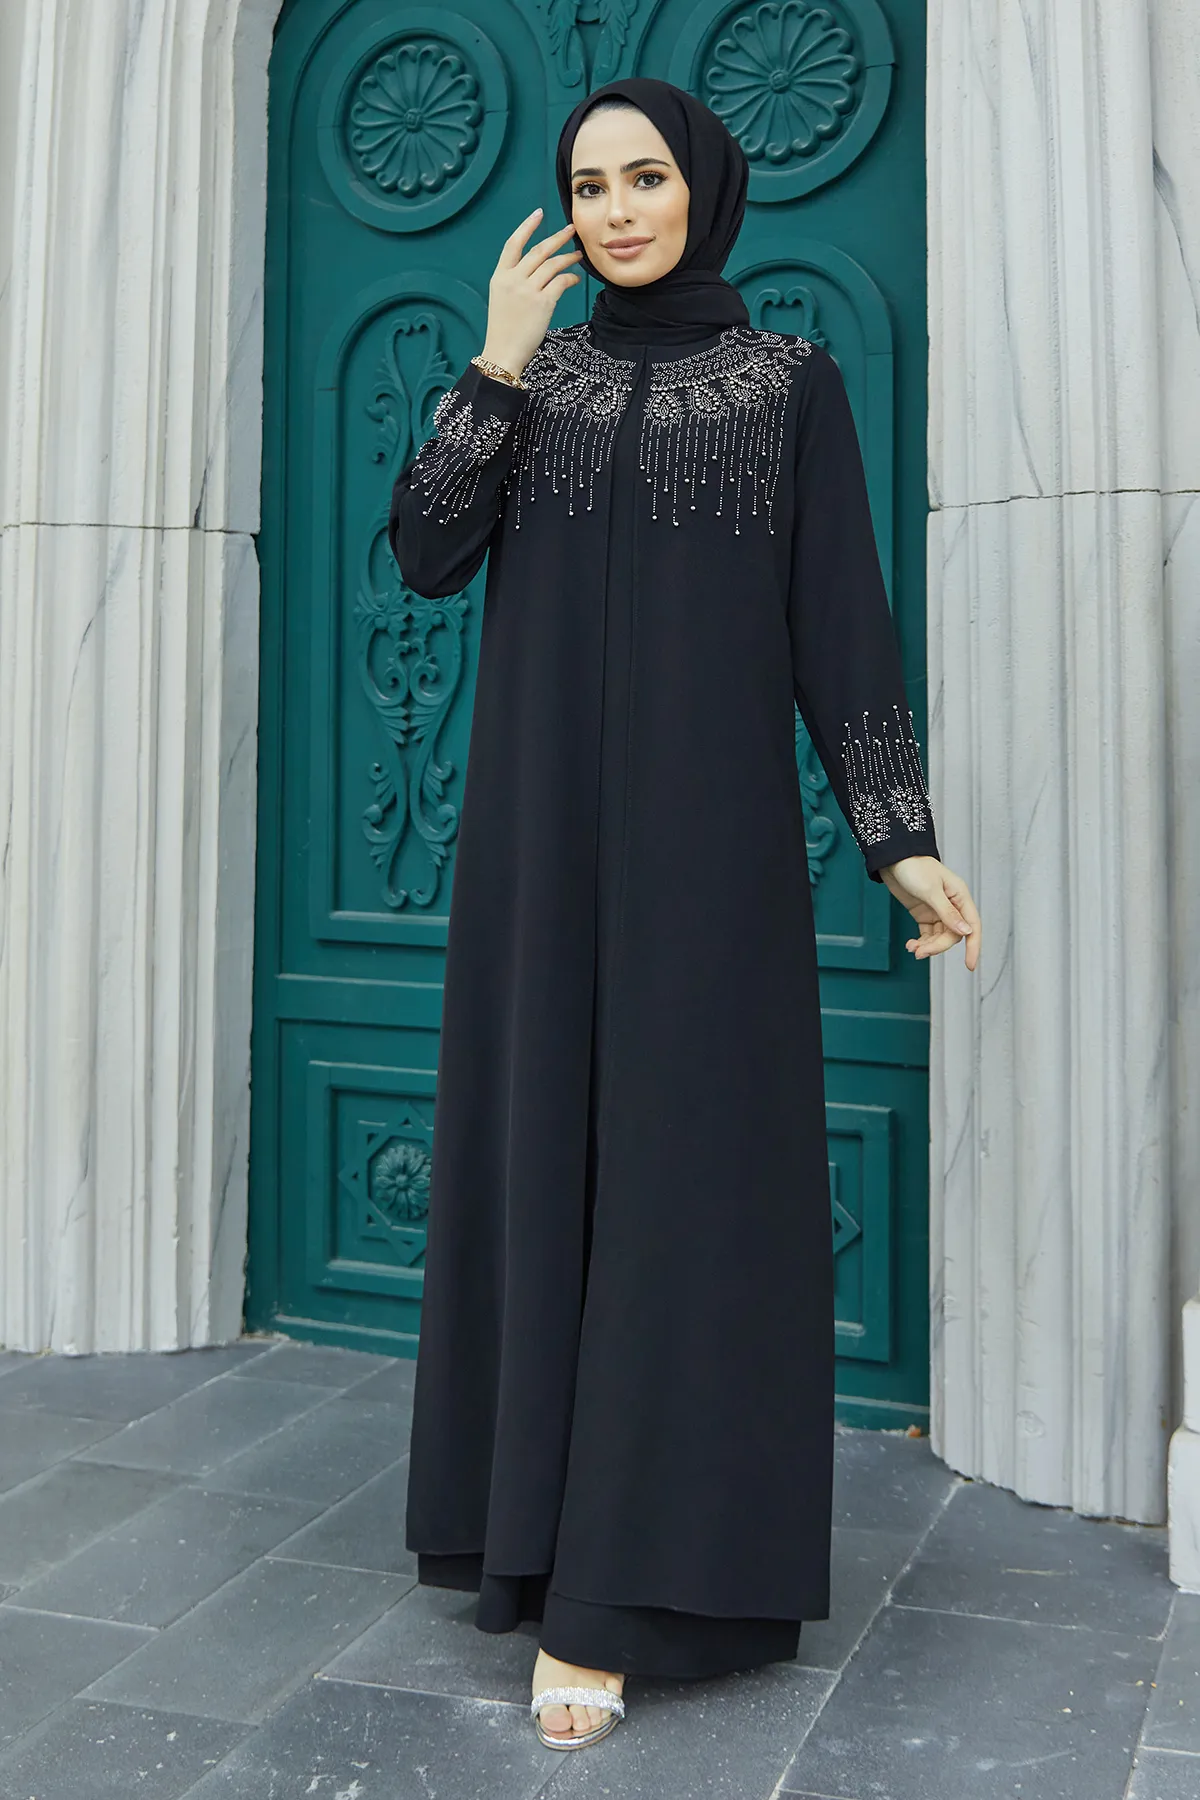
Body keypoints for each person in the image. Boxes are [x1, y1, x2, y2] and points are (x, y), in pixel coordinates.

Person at [388, 76, 982, 1752]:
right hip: (536, 855)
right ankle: (529, 1545)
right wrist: (496, 363)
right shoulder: (535, 382)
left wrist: (899, 836)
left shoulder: (792, 384)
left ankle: (628, 1598)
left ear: (704, 187)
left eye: (644, 178)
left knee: (683, 1195)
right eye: (588, 187)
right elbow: (425, 553)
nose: (617, 211)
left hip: (710, 867)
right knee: (543, 1168)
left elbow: (842, 626)